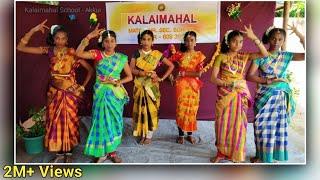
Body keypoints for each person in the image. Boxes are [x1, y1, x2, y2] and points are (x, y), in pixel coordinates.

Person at [17, 19, 94, 163]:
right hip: (54, 93)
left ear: (67, 39)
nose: (60, 41)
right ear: (53, 39)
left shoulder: (73, 52)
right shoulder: (48, 51)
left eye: (63, 38)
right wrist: (33, 30)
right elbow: (21, 47)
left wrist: (82, 86)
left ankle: (69, 153)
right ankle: (59, 153)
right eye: (57, 38)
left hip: (70, 93)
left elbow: (90, 70)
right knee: (55, 122)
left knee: (69, 121)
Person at [210, 25, 270, 163]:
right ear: (228, 42)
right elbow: (213, 78)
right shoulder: (221, 57)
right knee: (222, 124)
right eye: (234, 41)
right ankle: (221, 152)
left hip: (240, 94)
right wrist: (229, 84)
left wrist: (254, 38)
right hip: (225, 94)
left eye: (241, 41)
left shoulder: (244, 56)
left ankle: (236, 153)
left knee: (239, 124)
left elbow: (265, 54)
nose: (238, 45)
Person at [247, 24, 305, 163]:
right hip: (264, 95)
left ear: (283, 41)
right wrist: (266, 81)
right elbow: (249, 76)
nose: (277, 42)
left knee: (277, 127)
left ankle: (273, 156)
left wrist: (299, 35)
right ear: (268, 39)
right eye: (274, 38)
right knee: (261, 126)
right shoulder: (260, 56)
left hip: (280, 95)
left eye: (280, 39)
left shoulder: (286, 56)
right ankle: (261, 155)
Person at [76, 24, 133, 163]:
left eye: (112, 41)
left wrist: (118, 82)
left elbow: (129, 76)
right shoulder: (97, 54)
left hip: (115, 95)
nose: (109, 44)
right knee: (101, 122)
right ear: (102, 42)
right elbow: (78, 54)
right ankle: (101, 153)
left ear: (116, 42)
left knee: (114, 122)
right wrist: (89, 36)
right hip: (100, 92)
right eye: (106, 41)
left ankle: (112, 152)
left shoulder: (122, 58)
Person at [130, 30, 174, 145]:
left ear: (152, 41)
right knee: (141, 110)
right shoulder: (136, 53)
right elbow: (131, 70)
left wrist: (162, 78)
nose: (146, 42)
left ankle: (149, 135)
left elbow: (171, 65)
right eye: (143, 39)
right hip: (139, 86)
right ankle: (142, 133)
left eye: (148, 39)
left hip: (152, 86)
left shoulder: (156, 54)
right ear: (140, 41)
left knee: (151, 110)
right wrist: (143, 73)